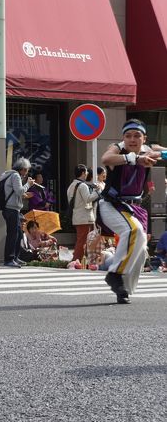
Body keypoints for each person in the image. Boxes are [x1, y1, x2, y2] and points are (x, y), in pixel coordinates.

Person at [99, 119, 163, 304]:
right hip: (111, 205)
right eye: (128, 135)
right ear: (123, 138)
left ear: (144, 138)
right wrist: (133, 158)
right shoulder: (118, 149)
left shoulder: (148, 152)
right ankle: (114, 275)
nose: (132, 139)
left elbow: (160, 151)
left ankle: (122, 288)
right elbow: (105, 159)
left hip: (134, 208)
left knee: (141, 247)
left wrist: (157, 153)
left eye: (137, 136)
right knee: (133, 232)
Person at [0, 157, 35, 268]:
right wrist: (28, 184)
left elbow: (15, 191)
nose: (26, 173)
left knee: (18, 233)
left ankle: (15, 257)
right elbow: (19, 191)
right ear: (23, 169)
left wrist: (23, 194)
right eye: (26, 170)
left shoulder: (8, 174)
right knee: (13, 234)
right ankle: (9, 259)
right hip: (11, 209)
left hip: (11, 208)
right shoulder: (15, 176)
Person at [67, 164, 100, 262]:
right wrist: (98, 191)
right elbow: (88, 199)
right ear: (82, 173)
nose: (87, 174)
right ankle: (76, 260)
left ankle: (82, 260)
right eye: (86, 172)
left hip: (77, 216)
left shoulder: (71, 186)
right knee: (84, 241)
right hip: (85, 217)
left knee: (82, 240)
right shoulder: (82, 185)